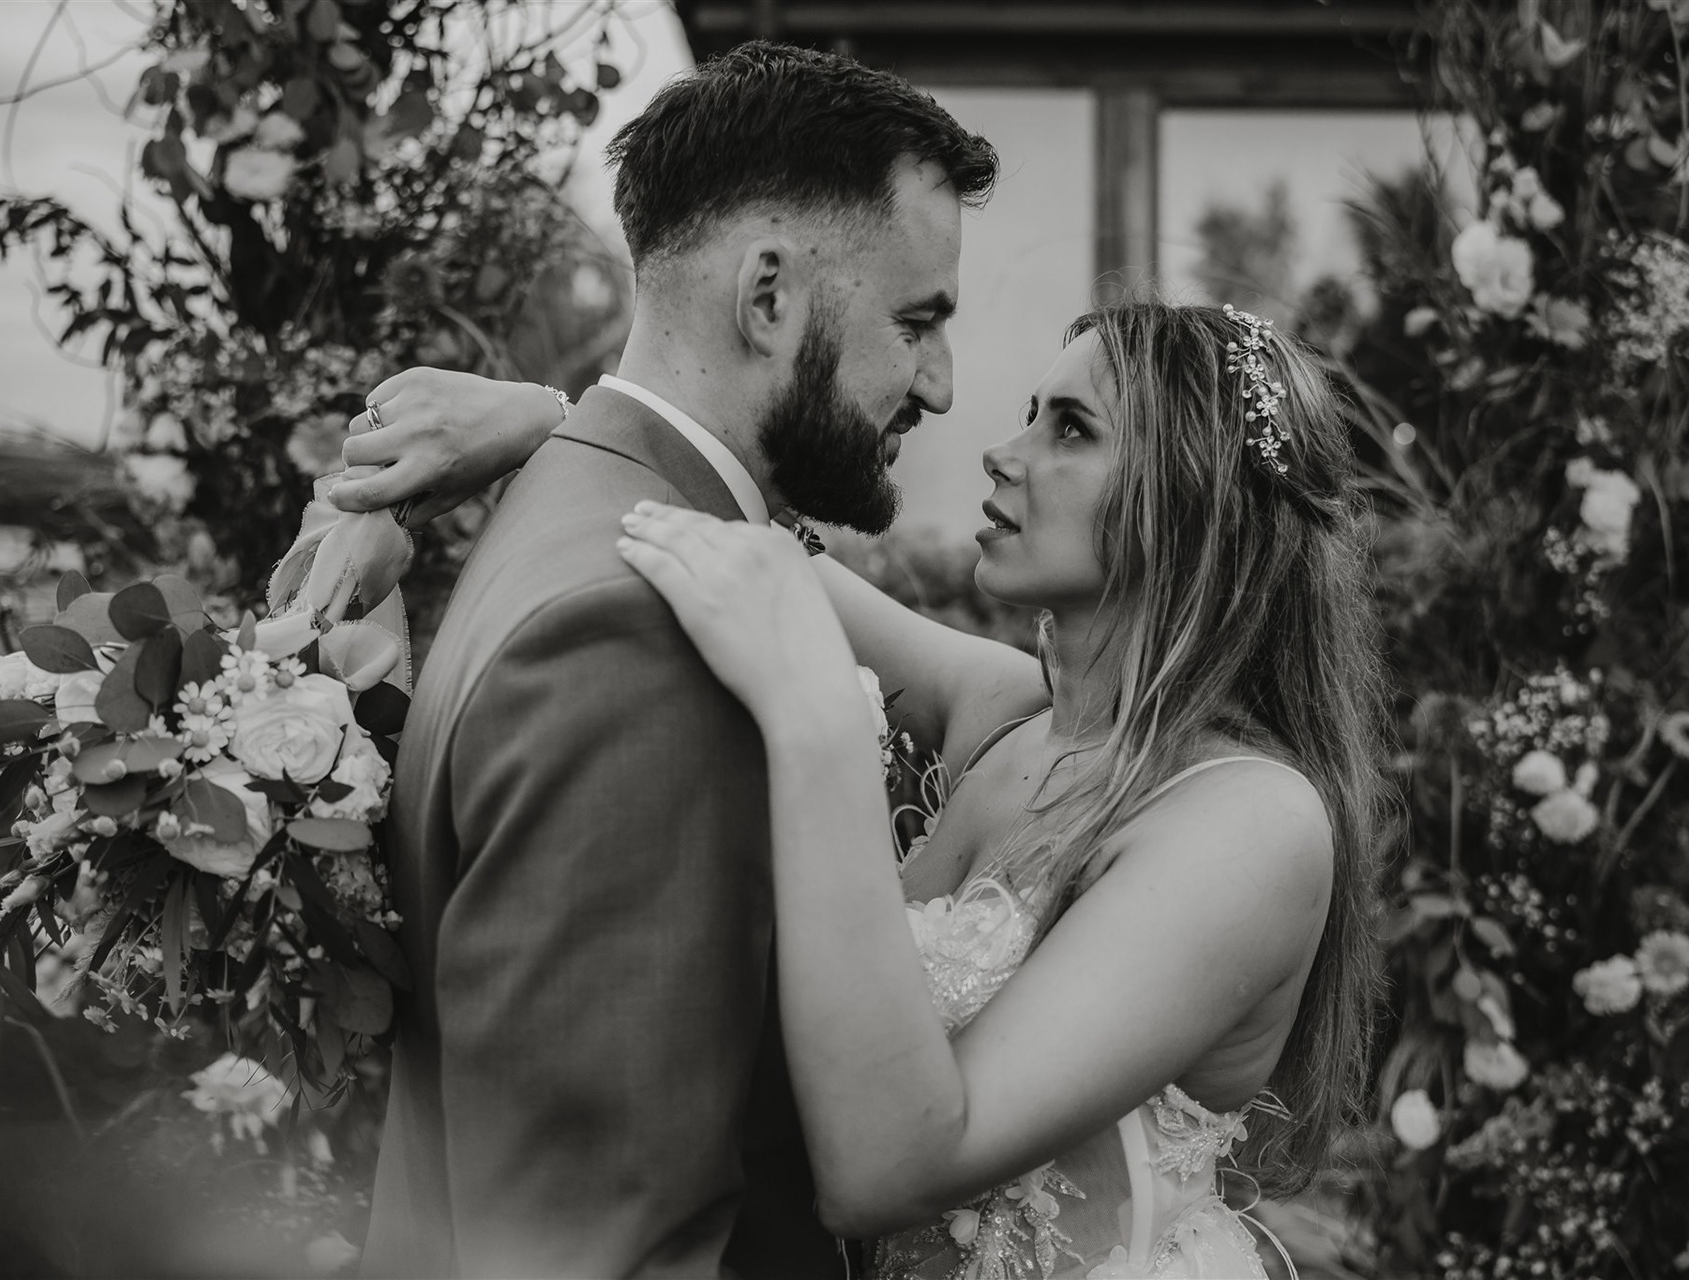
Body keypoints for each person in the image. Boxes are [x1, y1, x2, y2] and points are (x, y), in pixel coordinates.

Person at [334, 299, 1390, 1277]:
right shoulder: (1015, 716)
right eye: (1031, 412)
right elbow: (718, 535)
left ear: (1194, 504)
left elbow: (889, 1169)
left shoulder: (1246, 824)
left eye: (1071, 428)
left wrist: (820, 727)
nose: (1003, 450)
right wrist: (548, 423)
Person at [349, 40, 999, 1279]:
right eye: (917, 320)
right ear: (769, 297)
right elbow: (605, 1242)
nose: (943, 384)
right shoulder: (641, 637)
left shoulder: (572, 501)